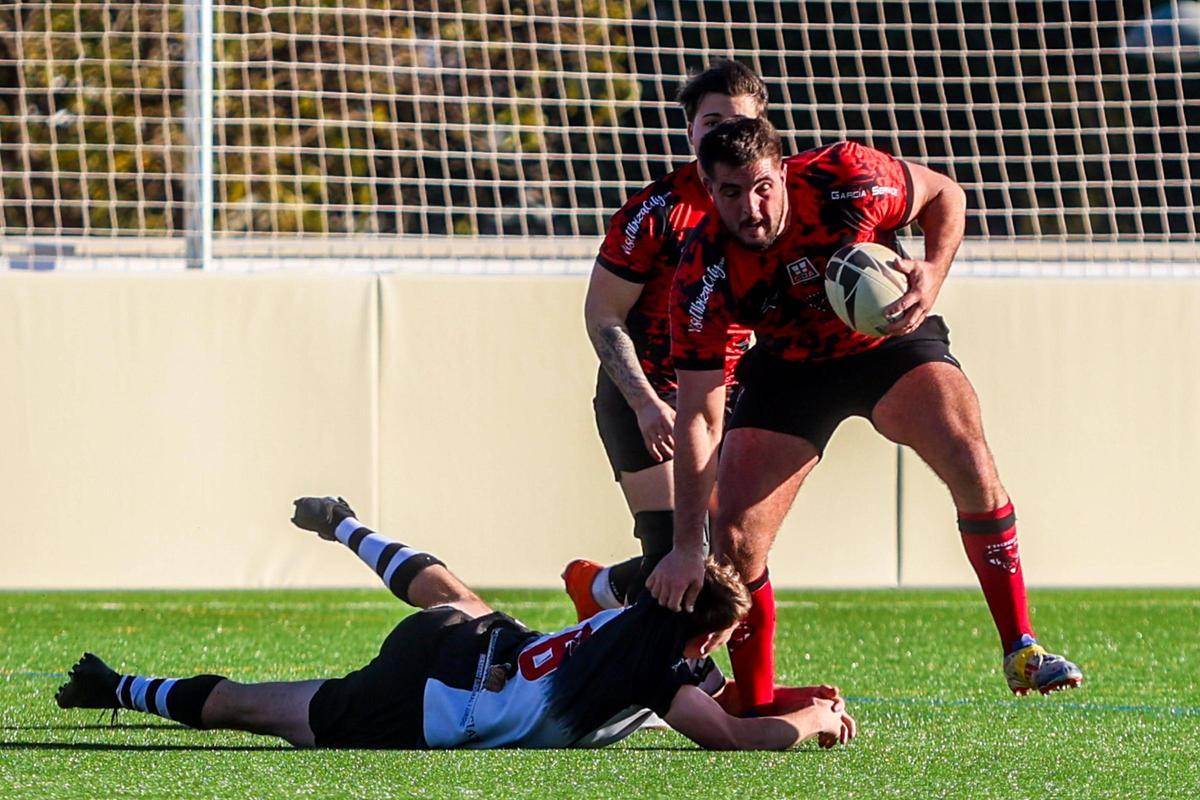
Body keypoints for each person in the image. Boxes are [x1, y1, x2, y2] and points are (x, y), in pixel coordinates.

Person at [647, 116, 1083, 712]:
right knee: (736, 537)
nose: (750, 207)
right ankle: (753, 702)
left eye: (761, 187)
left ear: (782, 171)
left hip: (890, 346)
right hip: (789, 368)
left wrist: (931, 273)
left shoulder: (844, 177)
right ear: (706, 184)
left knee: (970, 458)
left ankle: (1021, 647)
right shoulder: (702, 271)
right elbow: (699, 417)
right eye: (729, 192)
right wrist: (684, 547)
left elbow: (944, 194)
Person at [55, 496, 856, 751]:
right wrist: (814, 717)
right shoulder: (661, 671)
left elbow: (607, 598)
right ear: (706, 636)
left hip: (471, 641)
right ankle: (112, 686)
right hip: (437, 698)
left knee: (455, 594)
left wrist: (782, 700)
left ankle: (345, 526)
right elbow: (727, 736)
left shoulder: (643, 613)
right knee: (258, 710)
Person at [562, 59, 760, 623]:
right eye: (711, 121)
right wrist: (646, 403)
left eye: (736, 121)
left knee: (733, 551)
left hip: (730, 398)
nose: (723, 133)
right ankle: (685, 684)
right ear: (691, 132)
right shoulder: (656, 212)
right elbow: (603, 314)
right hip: (649, 400)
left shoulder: (775, 203)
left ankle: (599, 590)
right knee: (673, 553)